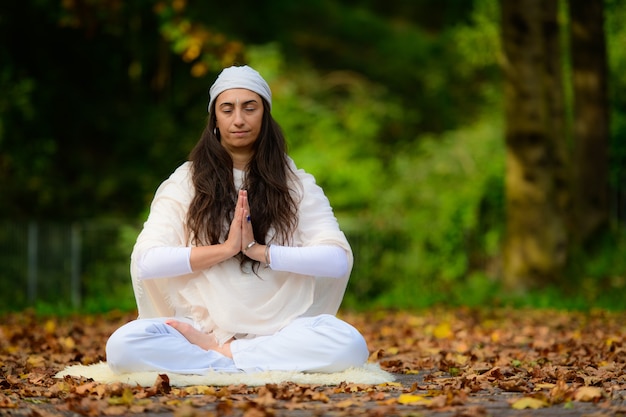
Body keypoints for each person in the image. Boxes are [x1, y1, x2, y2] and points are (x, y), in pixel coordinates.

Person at [105, 65, 369, 374]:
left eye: (249, 108)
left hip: (281, 329)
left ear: (265, 116)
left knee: (349, 344)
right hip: (201, 327)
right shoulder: (185, 182)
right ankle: (248, 358)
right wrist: (227, 249)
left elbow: (336, 260)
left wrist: (261, 252)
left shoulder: (297, 185)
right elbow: (148, 261)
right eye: (227, 109)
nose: (239, 119)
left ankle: (222, 356)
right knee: (123, 346)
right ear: (215, 118)